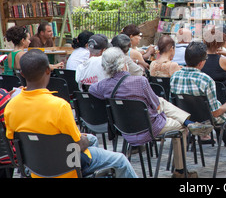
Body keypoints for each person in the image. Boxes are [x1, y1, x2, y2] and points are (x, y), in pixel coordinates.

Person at [4, 49, 138, 178]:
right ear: (48, 70)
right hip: (67, 165)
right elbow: (77, 143)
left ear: (22, 74)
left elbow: (14, 140)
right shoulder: (59, 106)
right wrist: (83, 139)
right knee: (120, 159)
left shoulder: (11, 106)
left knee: (91, 139)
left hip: (35, 166)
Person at [89, 47, 212, 178]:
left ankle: (188, 121)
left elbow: (91, 89)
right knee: (181, 128)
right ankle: (180, 171)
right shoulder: (140, 81)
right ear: (124, 63)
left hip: (124, 129)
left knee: (161, 101)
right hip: (149, 128)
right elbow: (156, 106)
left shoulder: (104, 86)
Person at [201, 26, 226, 101]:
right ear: (220, 43)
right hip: (224, 100)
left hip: (205, 99)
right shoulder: (224, 61)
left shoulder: (199, 60)